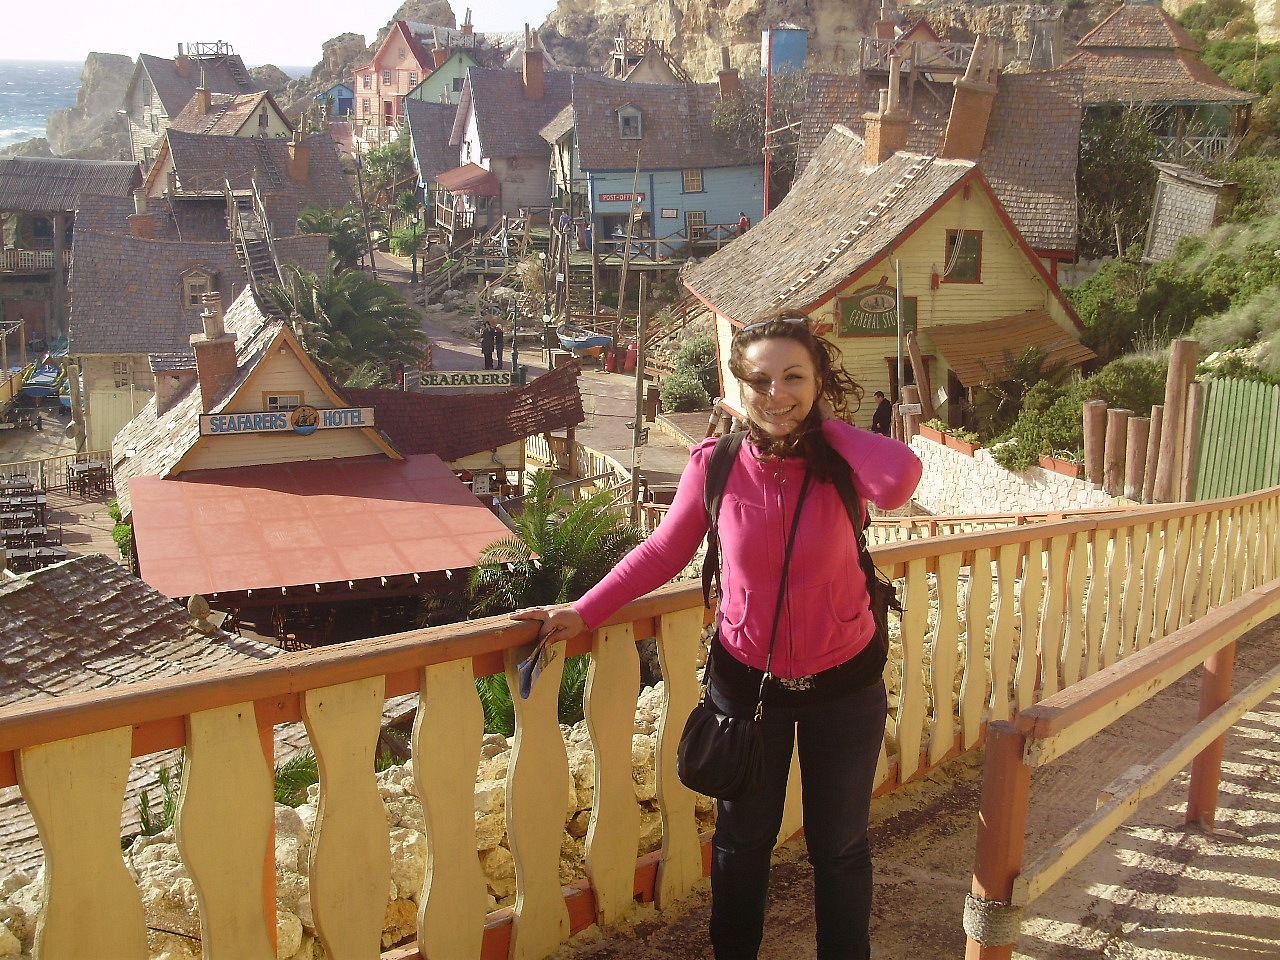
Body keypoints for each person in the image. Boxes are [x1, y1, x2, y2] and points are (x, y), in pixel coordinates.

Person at [514, 313, 922, 960]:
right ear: (737, 387)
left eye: (794, 377)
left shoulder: (846, 462)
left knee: (840, 848)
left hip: (845, 684)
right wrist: (584, 611)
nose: (776, 394)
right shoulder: (717, 465)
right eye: (759, 380)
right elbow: (662, 552)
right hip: (747, 685)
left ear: (819, 381)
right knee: (741, 844)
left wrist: (824, 425)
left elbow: (898, 482)